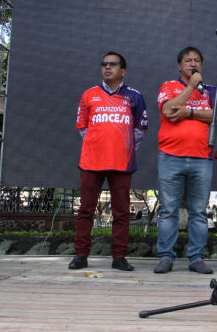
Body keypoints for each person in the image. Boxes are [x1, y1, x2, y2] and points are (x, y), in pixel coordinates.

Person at [69, 51, 148, 271]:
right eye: (104, 64)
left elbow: (140, 130)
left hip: (121, 163)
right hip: (91, 162)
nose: (107, 67)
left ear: (123, 71)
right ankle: (81, 255)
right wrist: (99, 145)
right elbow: (83, 128)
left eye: (112, 64)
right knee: (86, 210)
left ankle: (119, 257)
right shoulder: (89, 95)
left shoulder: (134, 96)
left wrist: (124, 149)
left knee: (122, 212)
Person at [154, 46, 217, 274]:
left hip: (201, 158)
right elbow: (168, 109)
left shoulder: (212, 90)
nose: (193, 64)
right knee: (168, 210)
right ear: (179, 66)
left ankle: (196, 258)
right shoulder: (168, 86)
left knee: (199, 212)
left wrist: (190, 113)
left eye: (197, 61)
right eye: (188, 60)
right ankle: (165, 257)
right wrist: (191, 87)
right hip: (170, 157)